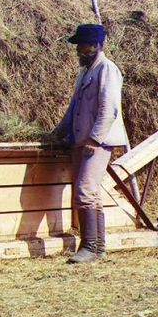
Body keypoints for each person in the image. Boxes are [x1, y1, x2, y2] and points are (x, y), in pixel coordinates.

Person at [53, 23, 127, 264]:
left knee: (85, 191)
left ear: (96, 46)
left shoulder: (107, 69)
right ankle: (98, 248)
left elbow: (109, 109)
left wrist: (95, 139)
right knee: (90, 193)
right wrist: (55, 134)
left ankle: (88, 247)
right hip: (81, 139)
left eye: (82, 45)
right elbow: (73, 108)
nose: (78, 50)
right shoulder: (85, 72)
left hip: (97, 141)